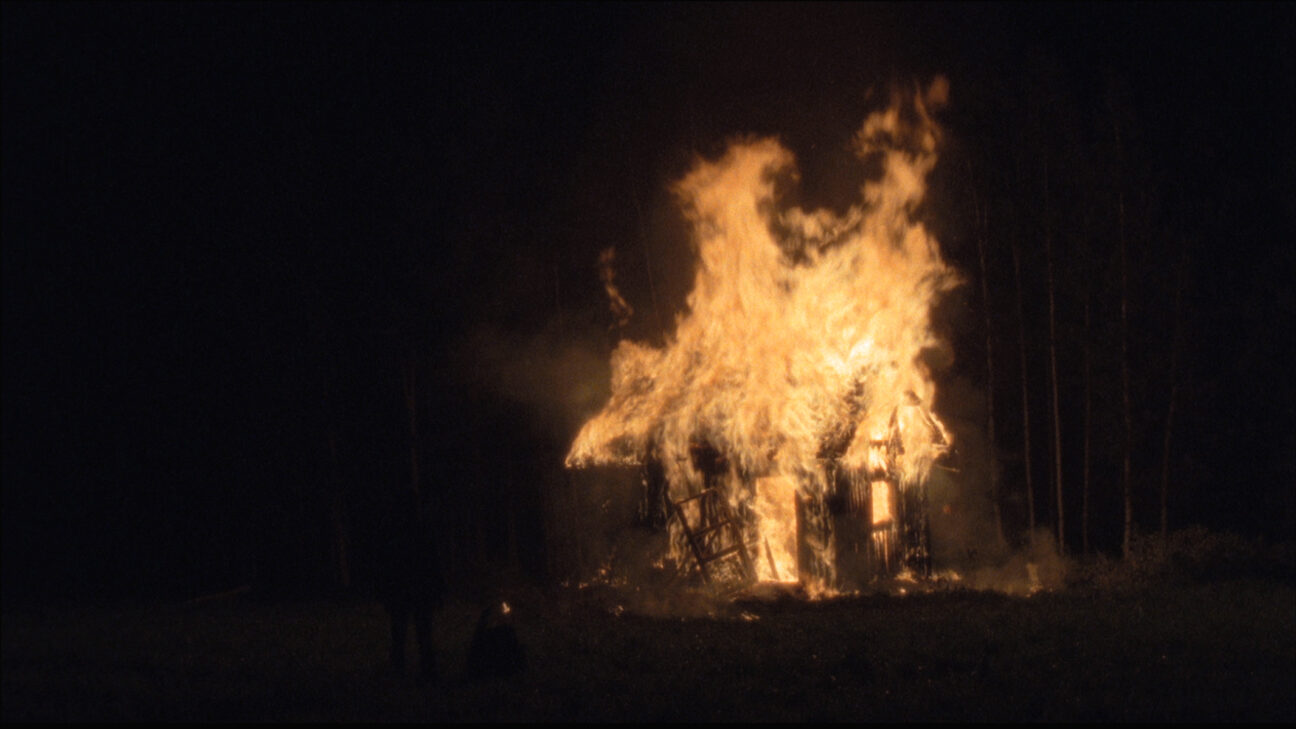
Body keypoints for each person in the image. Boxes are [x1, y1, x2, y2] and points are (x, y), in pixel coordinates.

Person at [375, 486, 445, 680]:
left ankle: (407, 670)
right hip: (414, 588)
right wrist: (437, 588)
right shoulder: (418, 530)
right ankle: (423, 670)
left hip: (406, 588)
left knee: (404, 632)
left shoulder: (395, 531)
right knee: (418, 632)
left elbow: (386, 564)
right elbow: (432, 561)